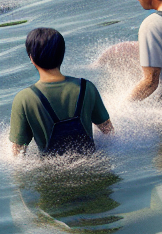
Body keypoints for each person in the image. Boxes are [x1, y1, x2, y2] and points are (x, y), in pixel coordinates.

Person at [8, 28, 112, 157]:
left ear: (31, 58)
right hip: (92, 164)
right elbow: (108, 131)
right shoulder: (86, 87)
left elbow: (18, 153)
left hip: (50, 173)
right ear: (62, 55)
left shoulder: (24, 98)